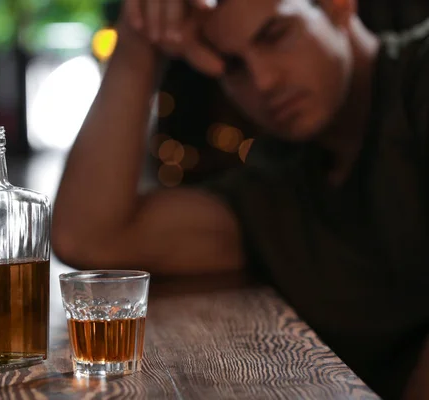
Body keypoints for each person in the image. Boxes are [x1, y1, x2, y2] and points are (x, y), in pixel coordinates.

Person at [52, 0, 429, 398]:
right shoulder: (278, 178)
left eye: (276, 34)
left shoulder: (419, 72)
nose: (263, 81)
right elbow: (90, 237)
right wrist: (138, 41)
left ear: (337, 6)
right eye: (232, 65)